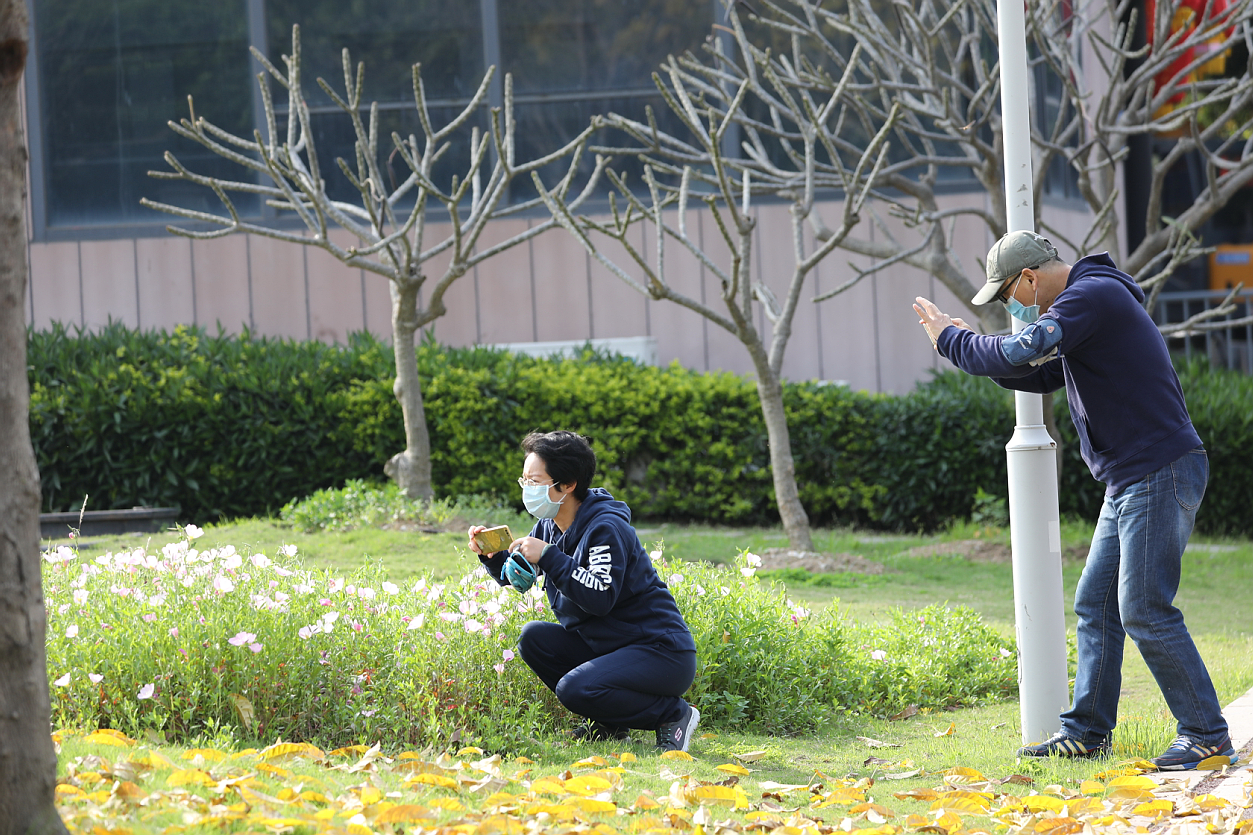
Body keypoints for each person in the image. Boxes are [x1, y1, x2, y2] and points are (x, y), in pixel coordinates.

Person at [911, 230, 1238, 771]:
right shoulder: (1088, 304)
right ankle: (1086, 732)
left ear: (1030, 279)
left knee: (1144, 609)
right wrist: (968, 345)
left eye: (1007, 295)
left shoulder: (1089, 296)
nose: (1011, 306)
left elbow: (1023, 348)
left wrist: (953, 340)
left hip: (1157, 468)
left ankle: (1206, 733)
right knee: (1097, 605)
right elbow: (1036, 372)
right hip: (1135, 476)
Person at [467, 430, 701, 752]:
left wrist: (549, 556)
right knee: (533, 637)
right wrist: (491, 557)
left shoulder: (606, 528)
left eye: (535, 482)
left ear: (568, 484)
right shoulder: (550, 524)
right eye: (524, 482)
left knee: (574, 689)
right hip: (611, 647)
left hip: (659, 651)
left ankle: (673, 715)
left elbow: (600, 597)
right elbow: (518, 578)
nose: (528, 490)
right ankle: (610, 723)